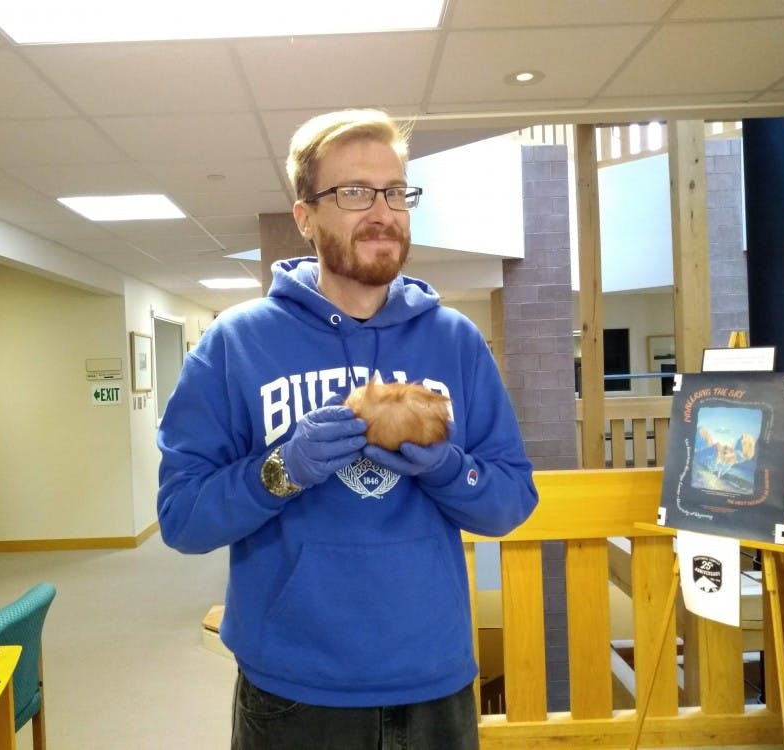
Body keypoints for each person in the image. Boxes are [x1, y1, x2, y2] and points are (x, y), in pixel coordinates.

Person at [157, 108, 538, 749]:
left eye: (396, 191)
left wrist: (446, 467)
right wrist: (281, 471)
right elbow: (182, 517)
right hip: (293, 690)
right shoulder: (236, 343)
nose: (382, 211)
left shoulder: (457, 341)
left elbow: (510, 501)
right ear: (305, 216)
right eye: (355, 193)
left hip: (433, 679)